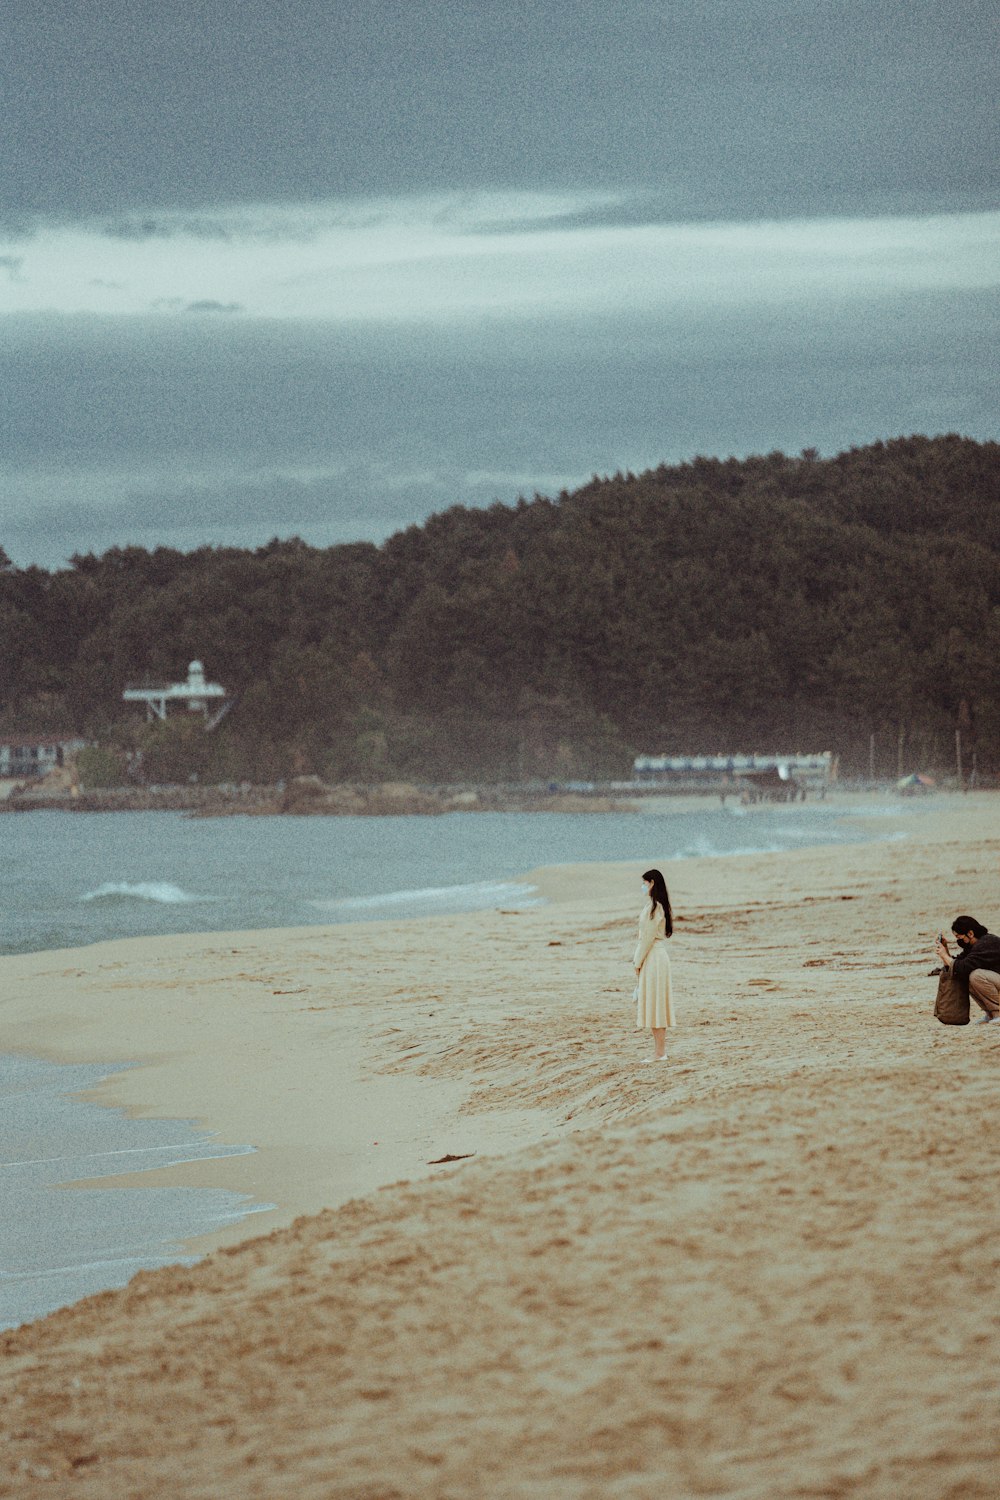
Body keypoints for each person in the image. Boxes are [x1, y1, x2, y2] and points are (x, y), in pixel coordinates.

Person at [633, 868, 675, 1060]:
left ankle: (659, 1053)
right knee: (655, 1003)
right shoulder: (657, 906)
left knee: (655, 1004)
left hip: (654, 957)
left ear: (652, 883)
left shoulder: (654, 908)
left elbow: (647, 939)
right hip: (655, 956)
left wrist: (637, 961)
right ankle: (659, 1051)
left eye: (645, 883)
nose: (642, 886)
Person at [934, 917, 1000, 1024]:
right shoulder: (973, 946)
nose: (959, 941)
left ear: (970, 933)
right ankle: (990, 1014)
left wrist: (944, 955)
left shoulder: (987, 942)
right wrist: (945, 949)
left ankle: (998, 1013)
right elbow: (958, 966)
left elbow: (962, 966)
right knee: (966, 976)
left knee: (976, 976)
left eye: (959, 937)